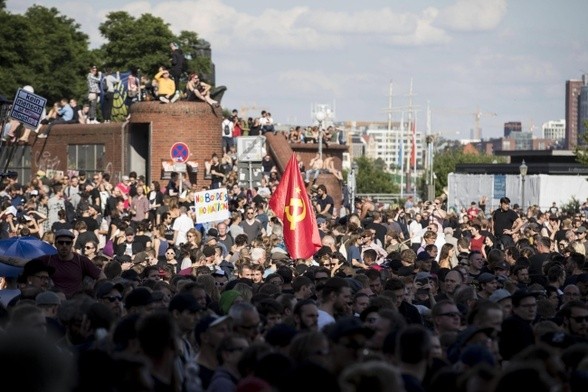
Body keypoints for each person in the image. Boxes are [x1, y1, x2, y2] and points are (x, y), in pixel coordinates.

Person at [39, 229, 106, 298]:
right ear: (56, 244)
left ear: (71, 244)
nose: (64, 245)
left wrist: (95, 294)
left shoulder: (81, 260)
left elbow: (101, 277)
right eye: (61, 242)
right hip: (54, 303)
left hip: (75, 304)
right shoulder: (48, 260)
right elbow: (29, 267)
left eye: (67, 243)